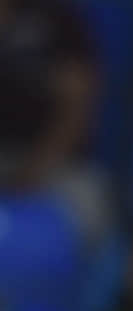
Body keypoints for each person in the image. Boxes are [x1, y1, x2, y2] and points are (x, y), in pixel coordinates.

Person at [0, 0, 102, 236]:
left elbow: (77, 107)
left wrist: (34, 169)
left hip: (51, 162)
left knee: (89, 204)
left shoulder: (58, 21)